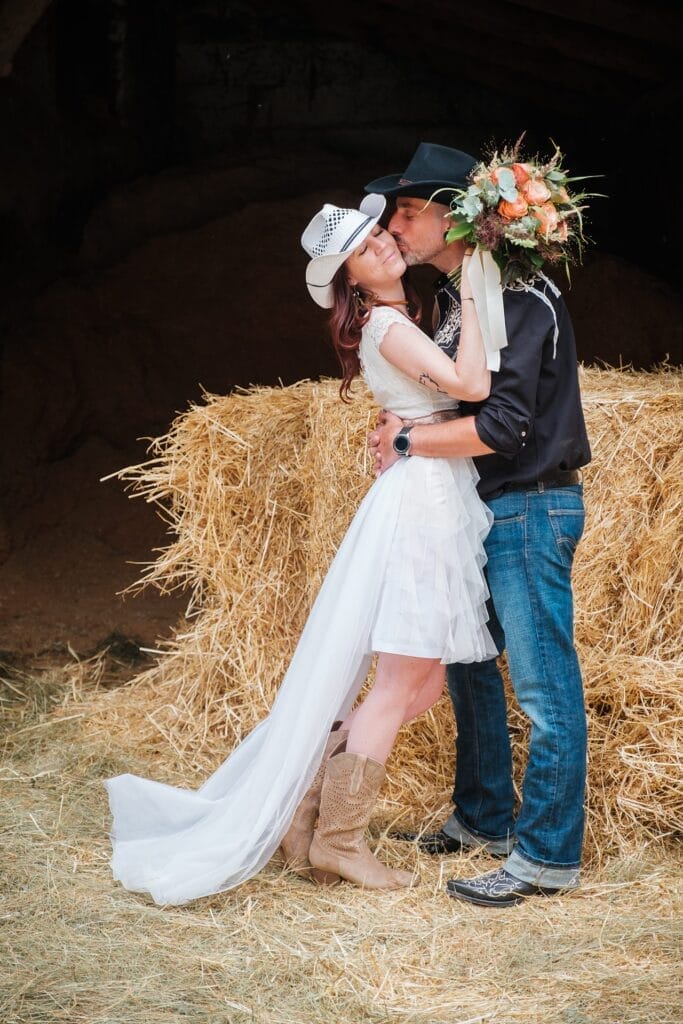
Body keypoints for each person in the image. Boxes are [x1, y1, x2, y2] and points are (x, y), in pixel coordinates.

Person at [105, 190, 496, 905]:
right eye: (363, 248)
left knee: (426, 679)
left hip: (433, 492)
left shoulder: (397, 319)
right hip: (421, 501)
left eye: (379, 233)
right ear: (349, 278)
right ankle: (339, 843)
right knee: (395, 683)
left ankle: (304, 813)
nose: (381, 244)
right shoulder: (386, 324)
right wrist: (477, 285)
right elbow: (472, 384)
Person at [365, 142, 591, 907]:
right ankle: (483, 818)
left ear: (452, 218)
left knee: (541, 686)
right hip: (482, 507)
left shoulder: (518, 295)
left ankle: (545, 858)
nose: (394, 227)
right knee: (467, 667)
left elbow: (502, 429)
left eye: (405, 212)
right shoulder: (467, 294)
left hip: (528, 505)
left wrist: (405, 442)